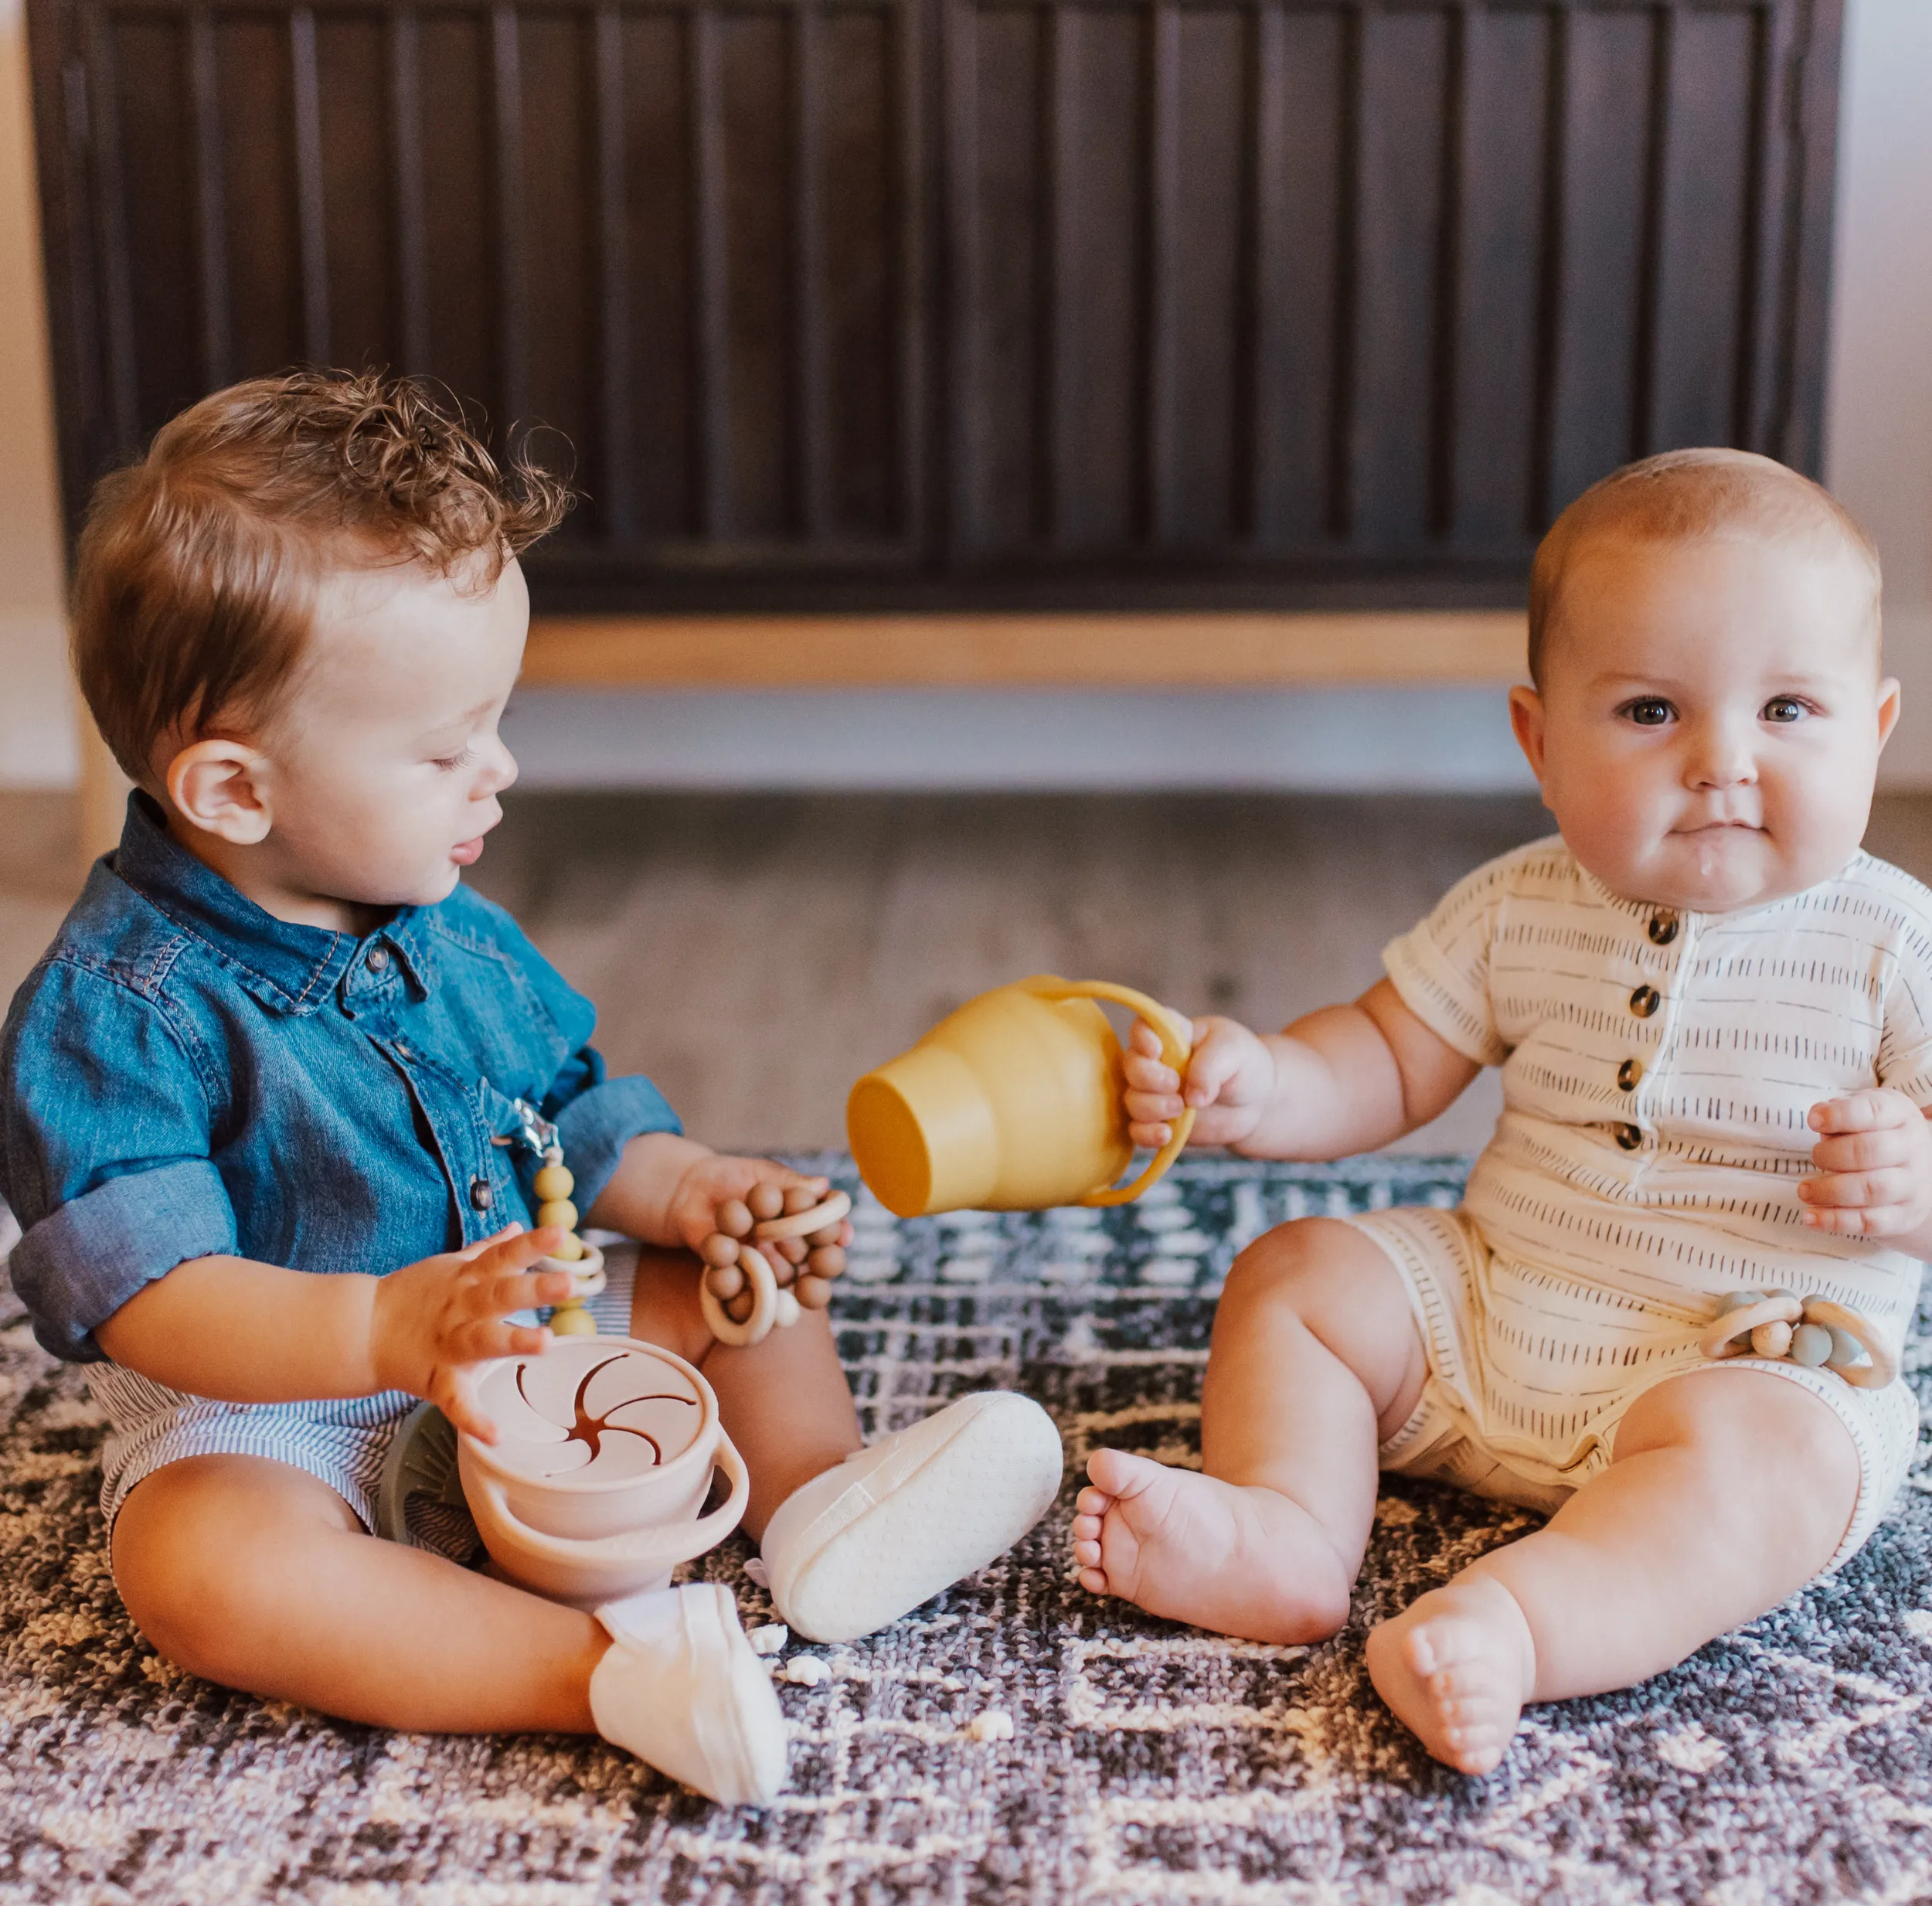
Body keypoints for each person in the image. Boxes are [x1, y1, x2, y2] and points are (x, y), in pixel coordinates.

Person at [0, 370, 1062, 1806]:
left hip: (532, 1326)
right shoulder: (113, 1012)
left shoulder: (443, 926)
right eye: (444, 749)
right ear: (238, 794)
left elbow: (565, 1108)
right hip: (280, 1404)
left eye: (493, 721)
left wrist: (698, 1194)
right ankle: (604, 1677)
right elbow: (151, 1296)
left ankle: (824, 1518)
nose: (498, 771)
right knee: (197, 1570)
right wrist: (384, 1325)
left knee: (749, 1298)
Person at [1073, 449, 1928, 1774]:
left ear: (1873, 731)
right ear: (1540, 741)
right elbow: (1384, 1053)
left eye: (1788, 712)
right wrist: (1262, 1087)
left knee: (1780, 1466)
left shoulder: (1891, 944)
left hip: (1742, 1351)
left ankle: (1515, 1628)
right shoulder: (1520, 903)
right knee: (1296, 1273)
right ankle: (1290, 1535)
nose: (1722, 764)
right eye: (1651, 710)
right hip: (1492, 1314)